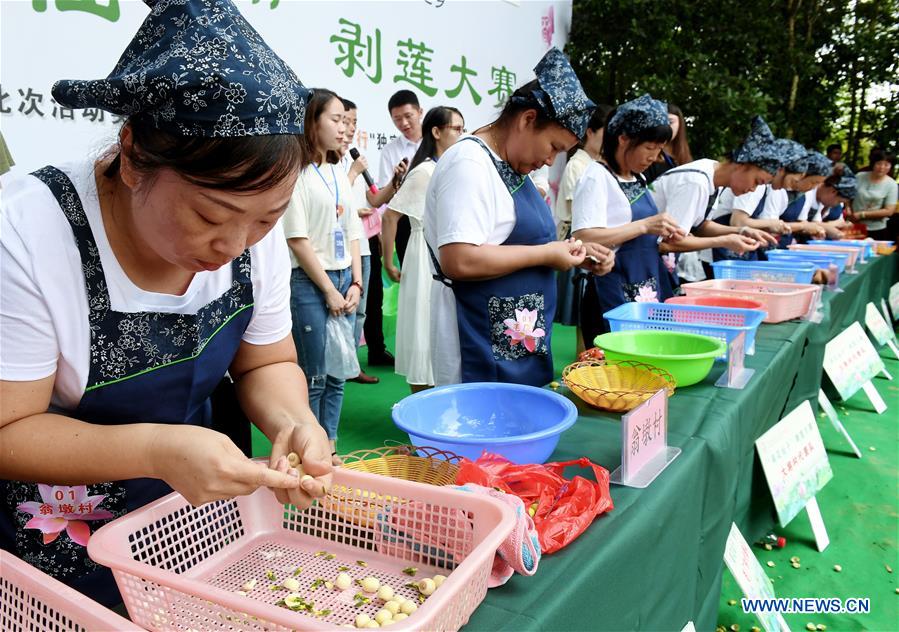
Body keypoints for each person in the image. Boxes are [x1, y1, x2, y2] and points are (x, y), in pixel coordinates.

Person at [0, 0, 331, 607]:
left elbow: (265, 362)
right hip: (52, 545)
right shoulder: (25, 228)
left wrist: (294, 422)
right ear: (131, 156)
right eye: (211, 215)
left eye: (265, 219)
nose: (233, 246)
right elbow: (7, 427)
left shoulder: (255, 240)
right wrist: (156, 449)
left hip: (190, 524)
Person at [424, 48, 613, 387]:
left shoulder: (510, 166)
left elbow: (514, 243)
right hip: (477, 338)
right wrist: (546, 254)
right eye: (553, 146)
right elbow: (459, 259)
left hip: (512, 335)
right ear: (527, 120)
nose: (549, 160)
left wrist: (571, 253)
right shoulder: (469, 164)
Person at [283, 89, 364, 464]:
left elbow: (353, 233)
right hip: (310, 284)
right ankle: (310, 447)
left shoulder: (336, 172)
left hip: (344, 279)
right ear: (311, 121)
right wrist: (331, 290)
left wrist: (357, 282)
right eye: (335, 119)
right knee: (313, 374)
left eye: (346, 121)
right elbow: (298, 240)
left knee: (338, 372)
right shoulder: (294, 172)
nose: (343, 128)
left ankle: (329, 444)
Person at [572, 94, 686, 343]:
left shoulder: (638, 178)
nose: (654, 157)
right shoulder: (596, 177)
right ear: (623, 139)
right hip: (611, 288)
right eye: (649, 147)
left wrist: (661, 231)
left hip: (646, 284)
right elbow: (583, 237)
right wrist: (644, 225)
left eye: (659, 149)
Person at [382, 106, 464, 392]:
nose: (461, 135)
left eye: (462, 129)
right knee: (422, 328)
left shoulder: (445, 168)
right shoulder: (425, 171)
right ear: (437, 132)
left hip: (440, 252)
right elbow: (390, 215)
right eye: (456, 128)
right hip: (422, 256)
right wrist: (389, 261)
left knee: (437, 330)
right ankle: (420, 408)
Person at [649, 116, 795, 272]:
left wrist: (741, 231)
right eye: (756, 181)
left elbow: (701, 226)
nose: (753, 189)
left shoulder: (712, 176)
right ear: (741, 164)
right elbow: (668, 242)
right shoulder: (696, 182)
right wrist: (724, 240)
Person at [359, 91, 420, 369]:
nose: (404, 123)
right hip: (405, 222)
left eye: (408, 116)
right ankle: (411, 351)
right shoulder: (391, 151)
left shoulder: (438, 144)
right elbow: (383, 200)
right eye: (397, 119)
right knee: (412, 285)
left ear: (420, 111)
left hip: (438, 222)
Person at [553, 104, 612, 335]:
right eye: (605, 133)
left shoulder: (598, 165)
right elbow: (580, 212)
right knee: (581, 313)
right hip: (577, 239)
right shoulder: (577, 165)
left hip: (595, 238)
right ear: (590, 132)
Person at [706, 138, 807, 260]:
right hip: (719, 247)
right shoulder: (754, 183)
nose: (788, 187)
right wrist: (770, 224)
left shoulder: (766, 187)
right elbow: (738, 222)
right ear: (781, 169)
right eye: (792, 181)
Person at [338, 98, 379, 384]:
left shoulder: (355, 157)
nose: (350, 128)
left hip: (361, 243)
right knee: (341, 311)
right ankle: (338, 367)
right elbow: (336, 202)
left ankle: (352, 366)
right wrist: (352, 173)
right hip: (337, 248)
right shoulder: (329, 160)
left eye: (354, 122)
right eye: (344, 121)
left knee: (360, 310)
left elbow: (374, 198)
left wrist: (394, 185)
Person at [771, 150, 831, 246]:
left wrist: (813, 228)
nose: (813, 187)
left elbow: (802, 222)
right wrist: (803, 226)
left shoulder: (804, 195)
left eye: (818, 184)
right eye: (813, 182)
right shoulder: (777, 189)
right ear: (802, 174)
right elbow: (771, 225)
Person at [846, 149, 897, 241]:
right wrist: (848, 208)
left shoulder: (892, 184)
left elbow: (889, 211)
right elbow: (847, 196)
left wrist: (862, 214)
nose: (882, 167)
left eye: (886, 165)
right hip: (853, 225)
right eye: (879, 163)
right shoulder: (859, 176)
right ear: (873, 163)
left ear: (891, 166)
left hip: (877, 229)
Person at [643, 103, 693, 183]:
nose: (665, 127)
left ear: (680, 124)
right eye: (661, 122)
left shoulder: (684, 157)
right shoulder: (647, 156)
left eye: (670, 122)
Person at [809, 171, 858, 238]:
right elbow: (810, 225)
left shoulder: (821, 200)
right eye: (838, 201)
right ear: (833, 191)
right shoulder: (808, 194)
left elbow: (817, 223)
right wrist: (831, 225)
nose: (837, 205)